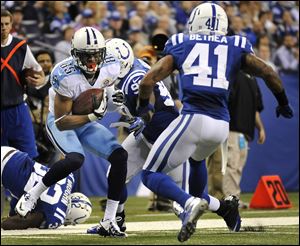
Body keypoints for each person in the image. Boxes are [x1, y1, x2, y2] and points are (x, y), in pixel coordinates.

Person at [137, 2, 293, 242]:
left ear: (194, 22)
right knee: (196, 159)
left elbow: (147, 81)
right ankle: (224, 208)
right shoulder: (235, 45)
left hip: (193, 118)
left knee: (149, 174)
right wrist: (283, 102)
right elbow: (269, 72)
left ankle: (188, 204)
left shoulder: (181, 43)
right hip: (221, 126)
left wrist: (141, 108)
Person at [88, 38, 243, 236]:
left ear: (121, 62)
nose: (104, 66)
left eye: (108, 62)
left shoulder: (134, 77)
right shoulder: (127, 71)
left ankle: (224, 208)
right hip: (146, 135)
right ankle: (113, 221)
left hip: (166, 135)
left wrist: (143, 117)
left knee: (185, 197)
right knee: (116, 174)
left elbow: (148, 97)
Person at [14, 27, 128, 238]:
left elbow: (104, 96)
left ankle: (109, 220)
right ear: (75, 54)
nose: (93, 59)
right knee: (76, 159)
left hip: (85, 120)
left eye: (96, 53)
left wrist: (114, 98)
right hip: (60, 121)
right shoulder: (64, 74)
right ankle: (33, 194)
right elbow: (63, 121)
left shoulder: (111, 65)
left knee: (120, 156)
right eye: (87, 55)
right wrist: (94, 116)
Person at [207, 71, 266, 208]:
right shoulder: (228, 73)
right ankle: (229, 199)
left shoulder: (252, 79)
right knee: (228, 165)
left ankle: (230, 199)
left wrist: (260, 128)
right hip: (228, 127)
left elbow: (255, 108)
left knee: (236, 166)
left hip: (244, 131)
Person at [1, 146, 91, 230]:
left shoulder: (69, 178)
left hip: (12, 153)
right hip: (5, 170)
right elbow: (22, 222)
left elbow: (24, 193)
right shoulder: (56, 217)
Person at [1, 9, 45, 159]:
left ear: (11, 24)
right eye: (0, 24)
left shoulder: (20, 46)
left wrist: (40, 80)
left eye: (6, 24)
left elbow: (39, 72)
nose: (3, 27)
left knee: (28, 157)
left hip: (18, 110)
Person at [26, 49, 61, 165]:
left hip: (51, 127)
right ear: (35, 64)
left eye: (48, 61)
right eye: (41, 61)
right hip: (32, 127)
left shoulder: (59, 80)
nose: (45, 63)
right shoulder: (27, 81)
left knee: (54, 164)